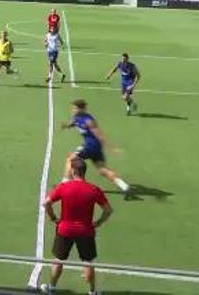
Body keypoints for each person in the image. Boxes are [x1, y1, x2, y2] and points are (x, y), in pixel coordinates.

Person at [40, 158, 113, 295]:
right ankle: (92, 291)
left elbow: (46, 203)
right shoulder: (93, 189)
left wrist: (54, 218)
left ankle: (51, 287)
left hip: (65, 229)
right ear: (84, 172)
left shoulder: (64, 187)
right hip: (85, 231)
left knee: (58, 260)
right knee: (88, 261)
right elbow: (108, 210)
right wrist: (99, 222)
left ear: (73, 171)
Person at [60, 100, 131, 195]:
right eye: (73, 108)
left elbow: (99, 135)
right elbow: (73, 123)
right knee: (102, 170)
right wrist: (66, 126)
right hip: (96, 148)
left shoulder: (89, 120)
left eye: (75, 108)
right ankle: (123, 185)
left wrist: (111, 148)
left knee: (70, 159)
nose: (73, 110)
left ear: (82, 109)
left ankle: (64, 185)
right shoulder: (76, 117)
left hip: (90, 146)